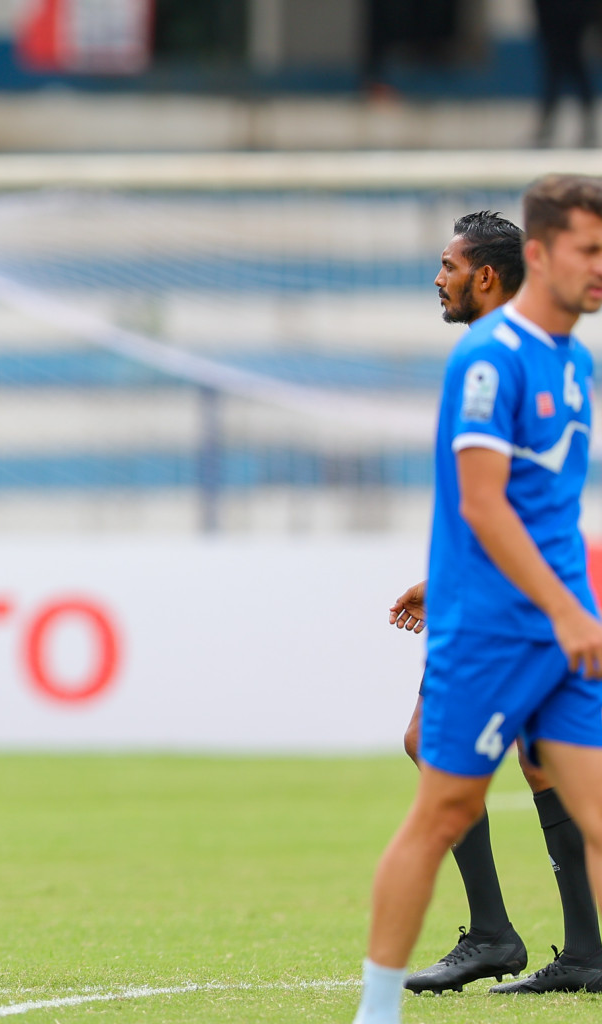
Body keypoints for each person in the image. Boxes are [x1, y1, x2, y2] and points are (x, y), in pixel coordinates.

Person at [350, 174, 602, 1024]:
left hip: (525, 609)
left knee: (535, 786)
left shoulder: (538, 359)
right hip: (514, 609)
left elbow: (512, 501)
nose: (439, 277)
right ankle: (560, 954)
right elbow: (492, 497)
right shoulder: (524, 359)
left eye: (449, 265)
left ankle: (525, 942)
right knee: (491, 783)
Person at [534, 0, 599, 148]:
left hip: (575, 21)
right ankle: (547, 126)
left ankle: (588, 126)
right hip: (554, 20)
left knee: (575, 70)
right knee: (555, 71)